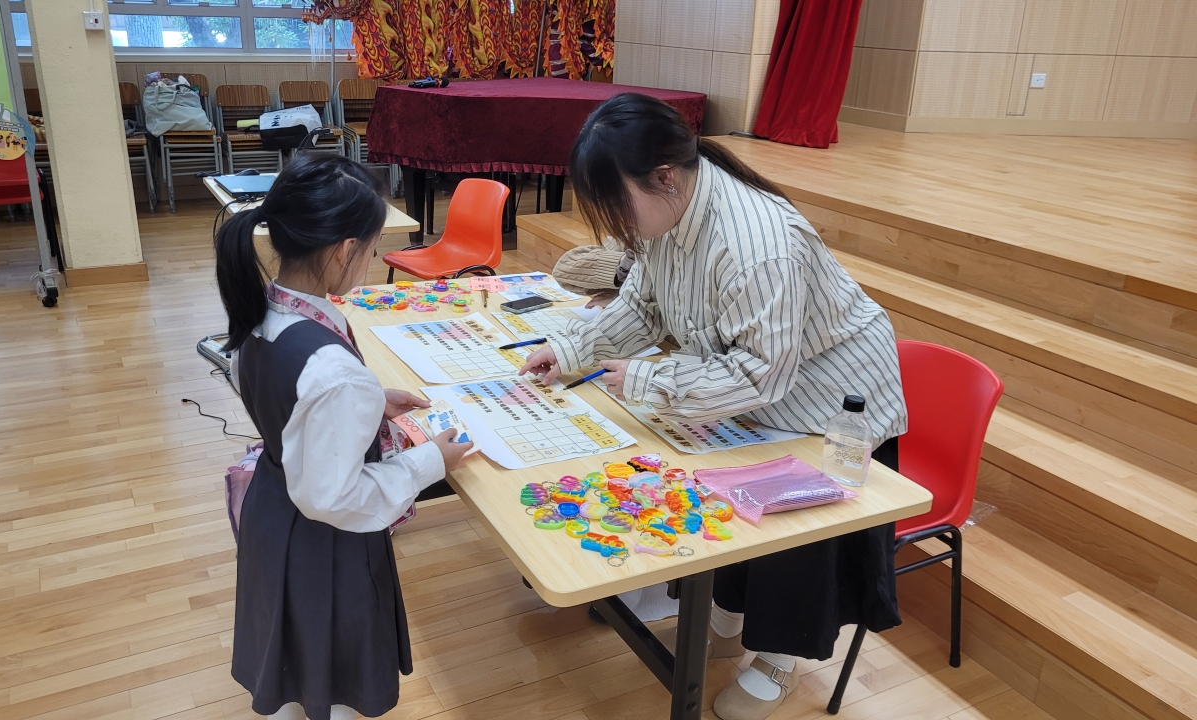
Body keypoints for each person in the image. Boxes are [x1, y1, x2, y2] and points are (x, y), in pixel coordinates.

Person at [518, 94, 908, 720]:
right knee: (728, 496)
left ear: (664, 178)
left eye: (616, 204)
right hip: (749, 392)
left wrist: (648, 380)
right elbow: (641, 307)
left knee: (794, 531)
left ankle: (781, 658)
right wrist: (568, 350)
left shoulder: (757, 243)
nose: (614, 223)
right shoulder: (668, 216)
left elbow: (762, 371)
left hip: (830, 406)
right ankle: (727, 616)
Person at [215, 155, 473, 720]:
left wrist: (369, 403)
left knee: (292, 652)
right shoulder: (333, 372)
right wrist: (431, 461)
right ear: (343, 250)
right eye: (372, 248)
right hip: (323, 542)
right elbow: (335, 496)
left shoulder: (260, 310)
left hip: (272, 512)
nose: (374, 260)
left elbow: (289, 405)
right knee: (329, 666)